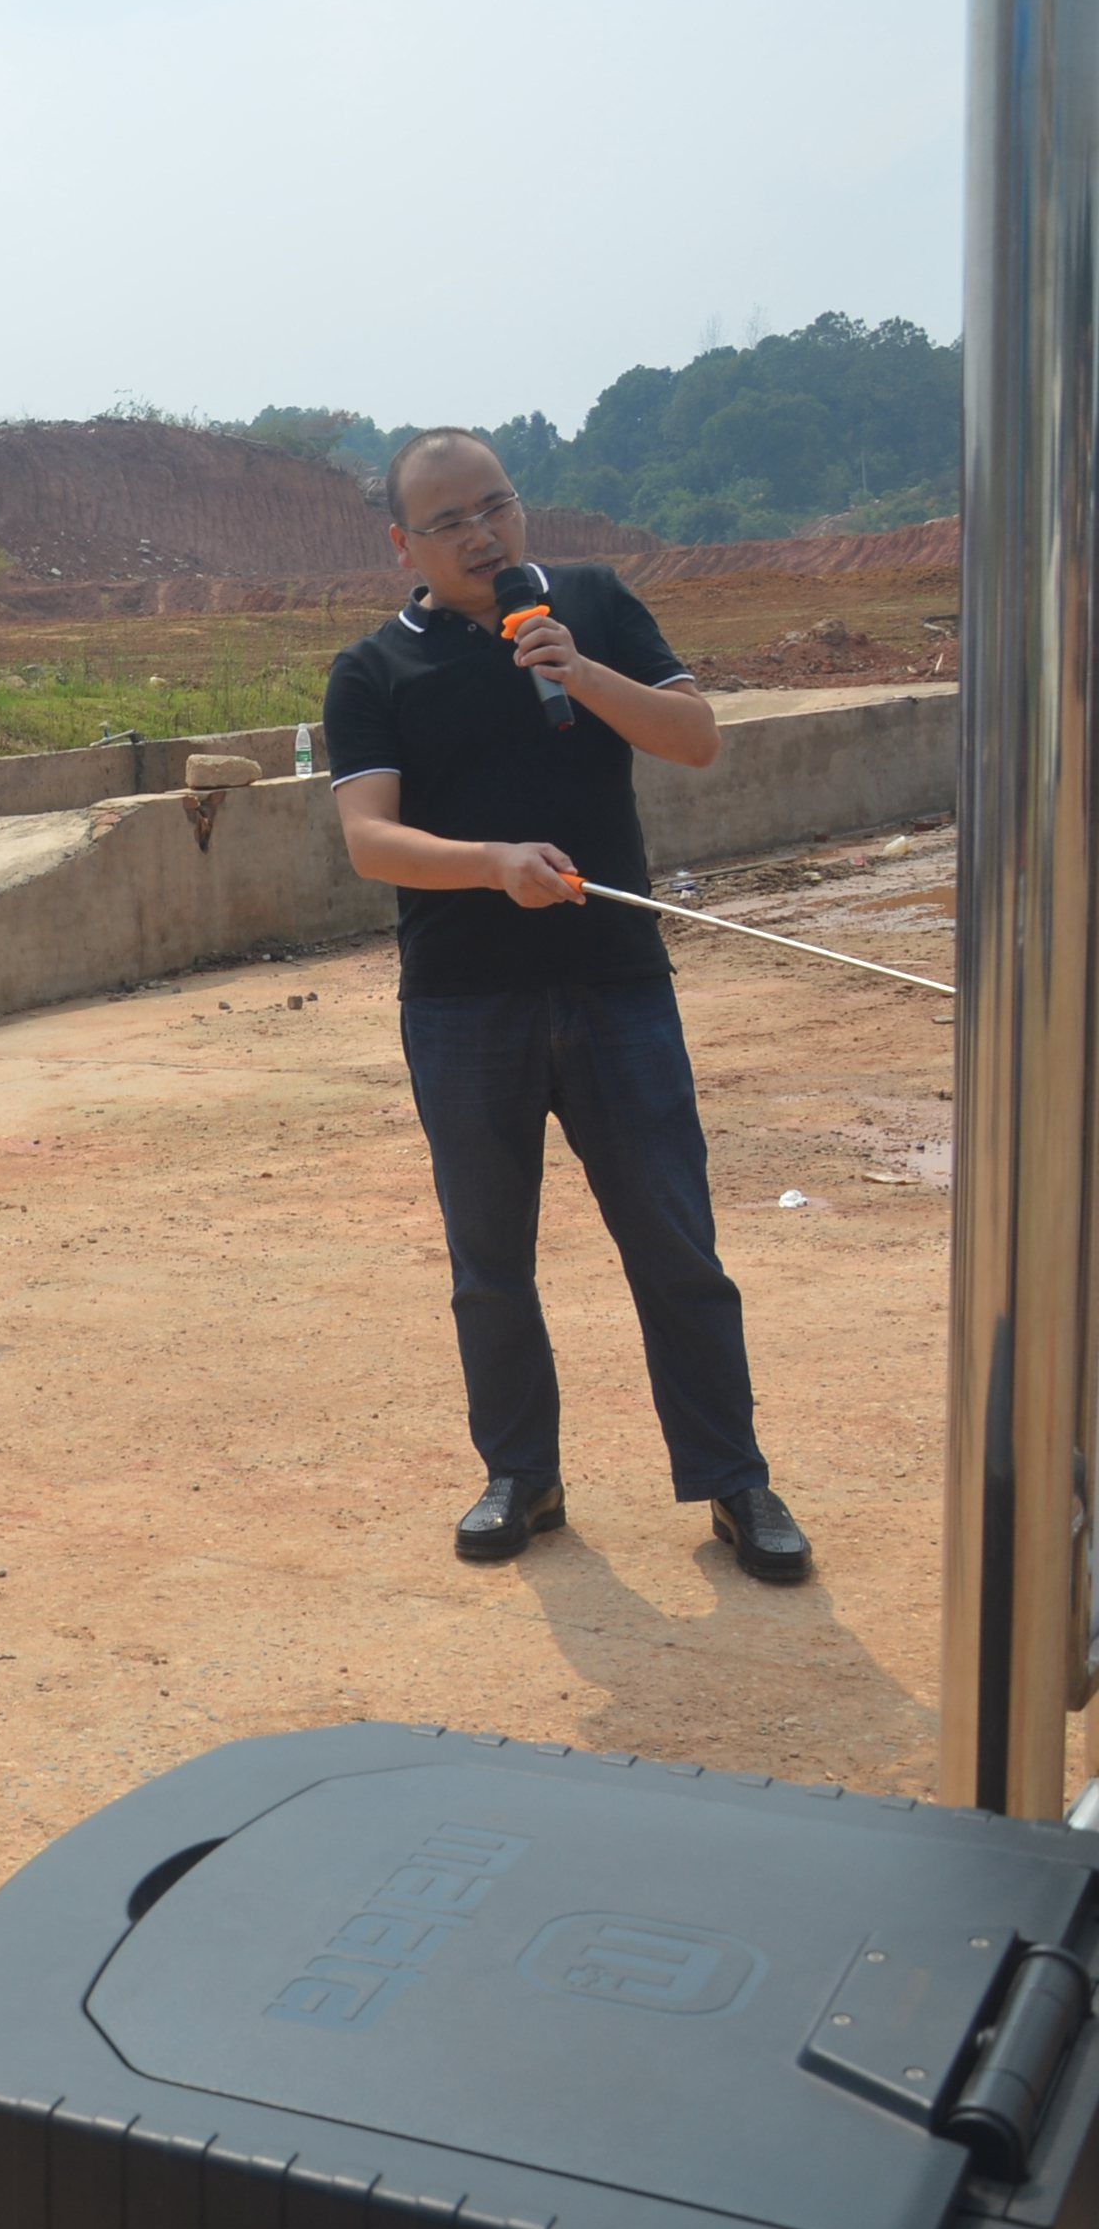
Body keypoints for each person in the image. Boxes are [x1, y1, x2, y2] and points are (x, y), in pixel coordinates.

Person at [328, 430, 814, 1583]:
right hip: (462, 1002)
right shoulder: (372, 670)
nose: (482, 533)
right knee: (489, 1261)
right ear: (405, 543)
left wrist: (578, 671)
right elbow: (369, 841)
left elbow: (693, 739)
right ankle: (521, 1476)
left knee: (675, 1244)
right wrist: (494, 862)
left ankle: (734, 1480)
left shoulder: (591, 603)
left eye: (496, 506)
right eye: (449, 521)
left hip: (616, 984)